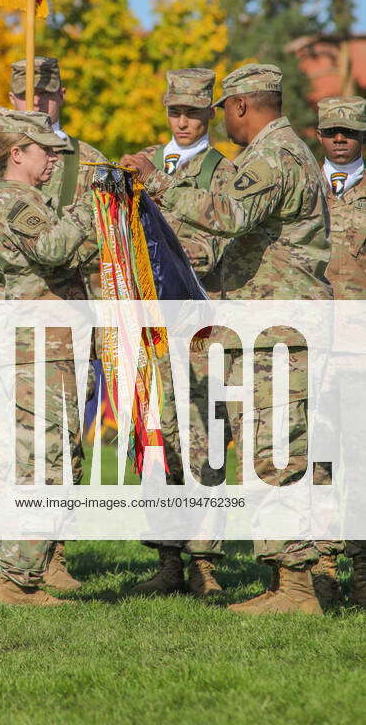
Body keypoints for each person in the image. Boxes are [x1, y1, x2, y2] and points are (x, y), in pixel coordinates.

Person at [122, 64, 332, 615]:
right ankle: (294, 581)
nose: (221, 123)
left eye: (221, 112)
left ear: (240, 106)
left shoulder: (272, 155)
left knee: (274, 456)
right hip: (271, 328)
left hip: (275, 331)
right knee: (277, 451)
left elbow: (228, 213)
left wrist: (158, 182)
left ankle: (295, 589)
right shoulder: (288, 151)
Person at [0, 57, 106, 591]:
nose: (55, 158)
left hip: (51, 341)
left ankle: (19, 569)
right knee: (41, 460)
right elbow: (51, 247)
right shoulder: (16, 201)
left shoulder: (27, 198)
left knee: (42, 454)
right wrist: (91, 209)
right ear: (18, 153)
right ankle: (20, 580)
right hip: (40, 345)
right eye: (45, 150)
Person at [129, 68, 236, 599]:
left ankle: (206, 561)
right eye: (176, 111)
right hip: (149, 324)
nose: (184, 121)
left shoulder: (225, 172)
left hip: (200, 323)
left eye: (194, 112)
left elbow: (225, 242)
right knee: (154, 438)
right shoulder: (140, 164)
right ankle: (167, 557)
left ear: (210, 114)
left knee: (204, 438)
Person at [313, 96, 366, 607]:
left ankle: (364, 569)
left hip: (360, 350)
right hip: (312, 345)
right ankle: (320, 566)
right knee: (316, 456)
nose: (341, 139)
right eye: (331, 131)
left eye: (349, 131)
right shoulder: (302, 188)